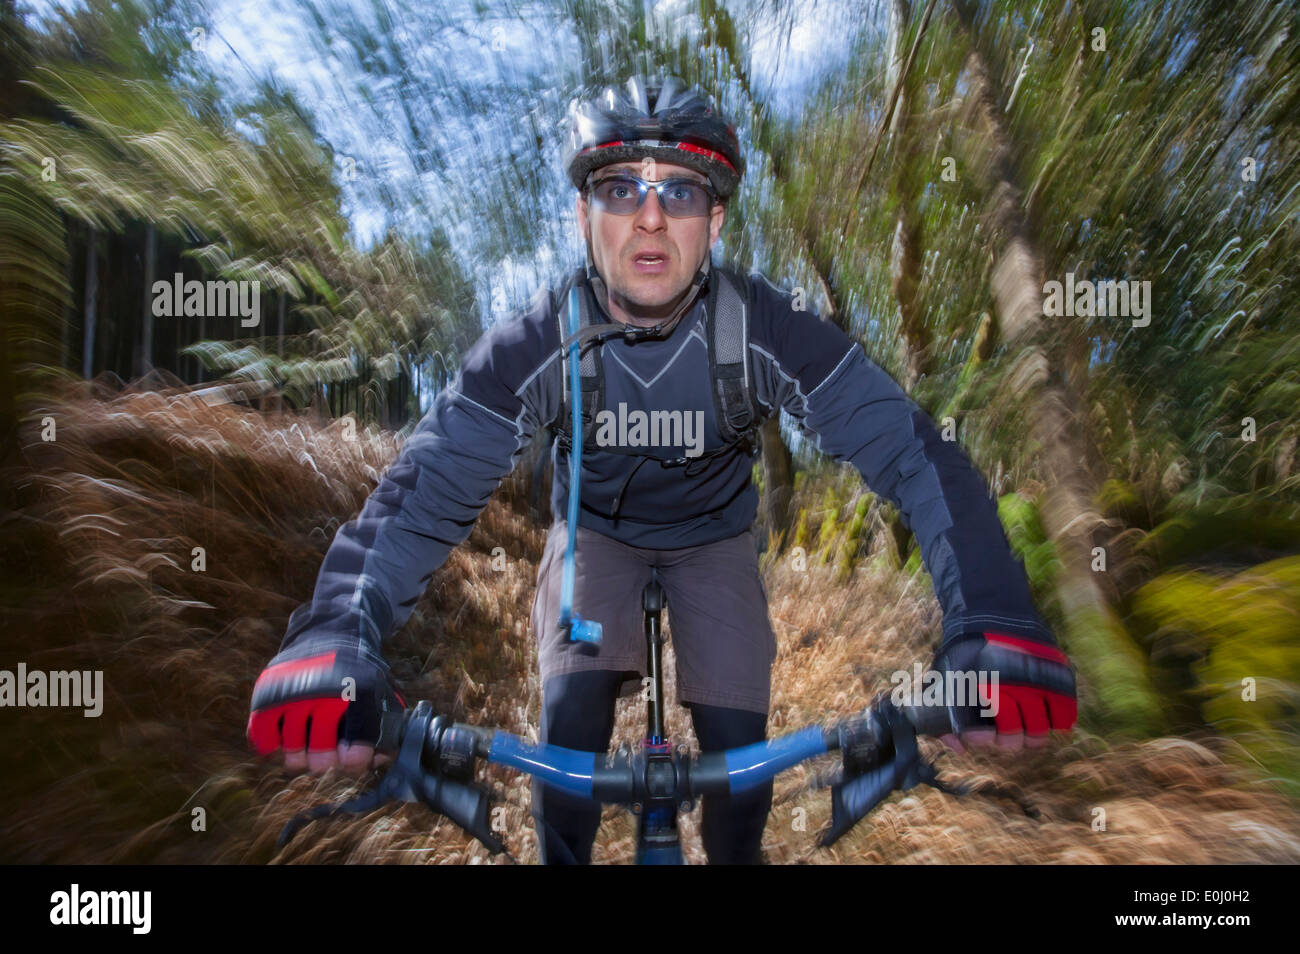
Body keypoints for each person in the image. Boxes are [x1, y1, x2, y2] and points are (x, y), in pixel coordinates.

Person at [248, 74, 1077, 864]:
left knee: (738, 748)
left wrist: (993, 616)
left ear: (713, 223)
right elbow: (426, 490)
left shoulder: (767, 329)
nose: (650, 219)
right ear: (584, 216)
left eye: (678, 193)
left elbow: (908, 449)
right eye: (620, 190)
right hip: (596, 538)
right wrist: (335, 630)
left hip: (714, 540)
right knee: (568, 726)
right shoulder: (534, 346)